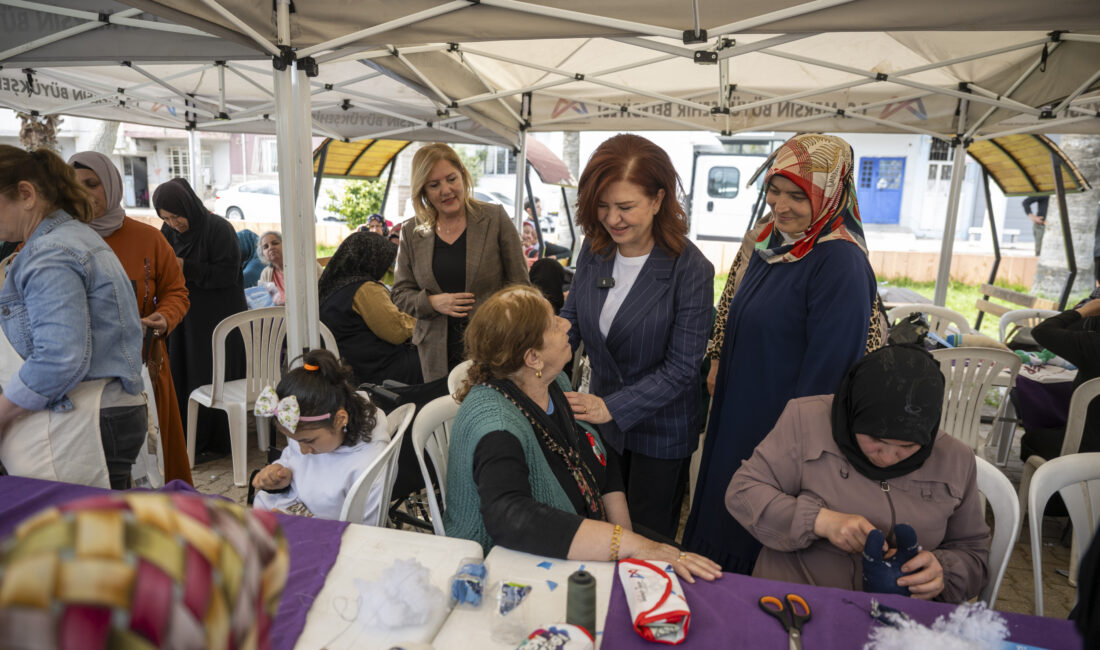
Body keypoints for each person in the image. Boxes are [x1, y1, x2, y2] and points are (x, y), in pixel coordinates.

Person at [685, 133, 883, 573]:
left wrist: (787, 460)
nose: (781, 205)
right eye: (774, 190)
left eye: (799, 195)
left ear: (832, 194)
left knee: (752, 552)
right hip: (738, 420)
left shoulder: (840, 264)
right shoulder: (772, 246)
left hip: (779, 442)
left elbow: (828, 381)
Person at [445, 285, 721, 583]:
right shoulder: (497, 425)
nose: (566, 323)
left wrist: (626, 543)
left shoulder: (553, 384)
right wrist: (628, 546)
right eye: (553, 323)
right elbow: (511, 517)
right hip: (511, 568)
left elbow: (600, 458)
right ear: (532, 359)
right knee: (688, 578)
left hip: (580, 536)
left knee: (688, 568)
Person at [726, 345, 990, 603]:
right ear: (853, 414)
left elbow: (974, 554)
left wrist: (942, 570)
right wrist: (819, 521)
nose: (887, 457)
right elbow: (743, 491)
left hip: (900, 623)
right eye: (875, 439)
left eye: (907, 446)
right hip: (797, 602)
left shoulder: (956, 458)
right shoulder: (805, 420)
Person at [560, 134, 714, 541]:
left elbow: (682, 368)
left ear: (659, 200)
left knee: (645, 542)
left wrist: (610, 406)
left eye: (626, 207)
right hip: (601, 428)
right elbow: (570, 323)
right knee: (600, 534)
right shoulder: (595, 251)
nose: (613, 220)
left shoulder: (690, 269)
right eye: (604, 206)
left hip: (660, 437)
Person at [0, 145, 146, 489]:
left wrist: (4, 412)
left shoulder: (51, 251)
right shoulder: (70, 238)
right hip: (104, 411)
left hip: (86, 416)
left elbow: (59, 357)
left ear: (26, 194)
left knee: (76, 536)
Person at [70, 150, 194, 485]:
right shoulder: (54, 240)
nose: (83, 193)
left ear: (111, 185)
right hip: (75, 382)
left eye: (92, 184)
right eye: (74, 185)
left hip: (143, 369)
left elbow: (176, 291)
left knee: (154, 467)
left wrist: (164, 317)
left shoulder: (148, 238)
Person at [391, 143, 529, 382]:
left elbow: (520, 286)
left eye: (451, 179)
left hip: (491, 346)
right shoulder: (412, 231)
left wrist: (503, 320)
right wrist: (432, 302)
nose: (446, 190)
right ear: (423, 190)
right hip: (435, 352)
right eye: (434, 185)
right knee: (444, 415)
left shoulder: (494, 218)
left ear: (463, 176)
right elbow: (400, 293)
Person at [154, 177, 248, 458]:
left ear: (189, 206)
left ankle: (219, 442)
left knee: (214, 373)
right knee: (185, 372)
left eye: (177, 215)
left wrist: (187, 267)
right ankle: (190, 440)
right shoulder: (167, 233)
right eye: (166, 218)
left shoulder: (219, 229)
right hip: (184, 318)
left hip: (218, 316)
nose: (174, 223)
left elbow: (227, 274)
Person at [252, 349, 389, 522]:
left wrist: (298, 528)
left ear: (340, 420)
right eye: (295, 441)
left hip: (329, 536)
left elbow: (363, 531)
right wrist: (282, 473)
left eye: (308, 441)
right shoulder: (312, 432)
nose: (303, 451)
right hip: (289, 515)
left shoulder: (368, 466)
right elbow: (292, 458)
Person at [319, 231, 421, 385]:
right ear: (372, 259)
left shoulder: (332, 286)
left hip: (350, 367)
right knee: (435, 360)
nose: (387, 267)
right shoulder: (364, 289)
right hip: (376, 371)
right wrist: (423, 322)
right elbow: (396, 331)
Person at [1027, 300, 1100, 459]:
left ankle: (1052, 482)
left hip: (1085, 449)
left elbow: (1042, 331)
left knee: (1030, 440)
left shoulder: (1091, 344)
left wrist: (1083, 311)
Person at [257, 230, 286, 305]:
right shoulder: (266, 273)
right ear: (262, 253)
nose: (270, 248)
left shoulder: (300, 266)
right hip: (277, 314)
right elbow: (264, 302)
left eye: (275, 243)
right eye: (265, 247)